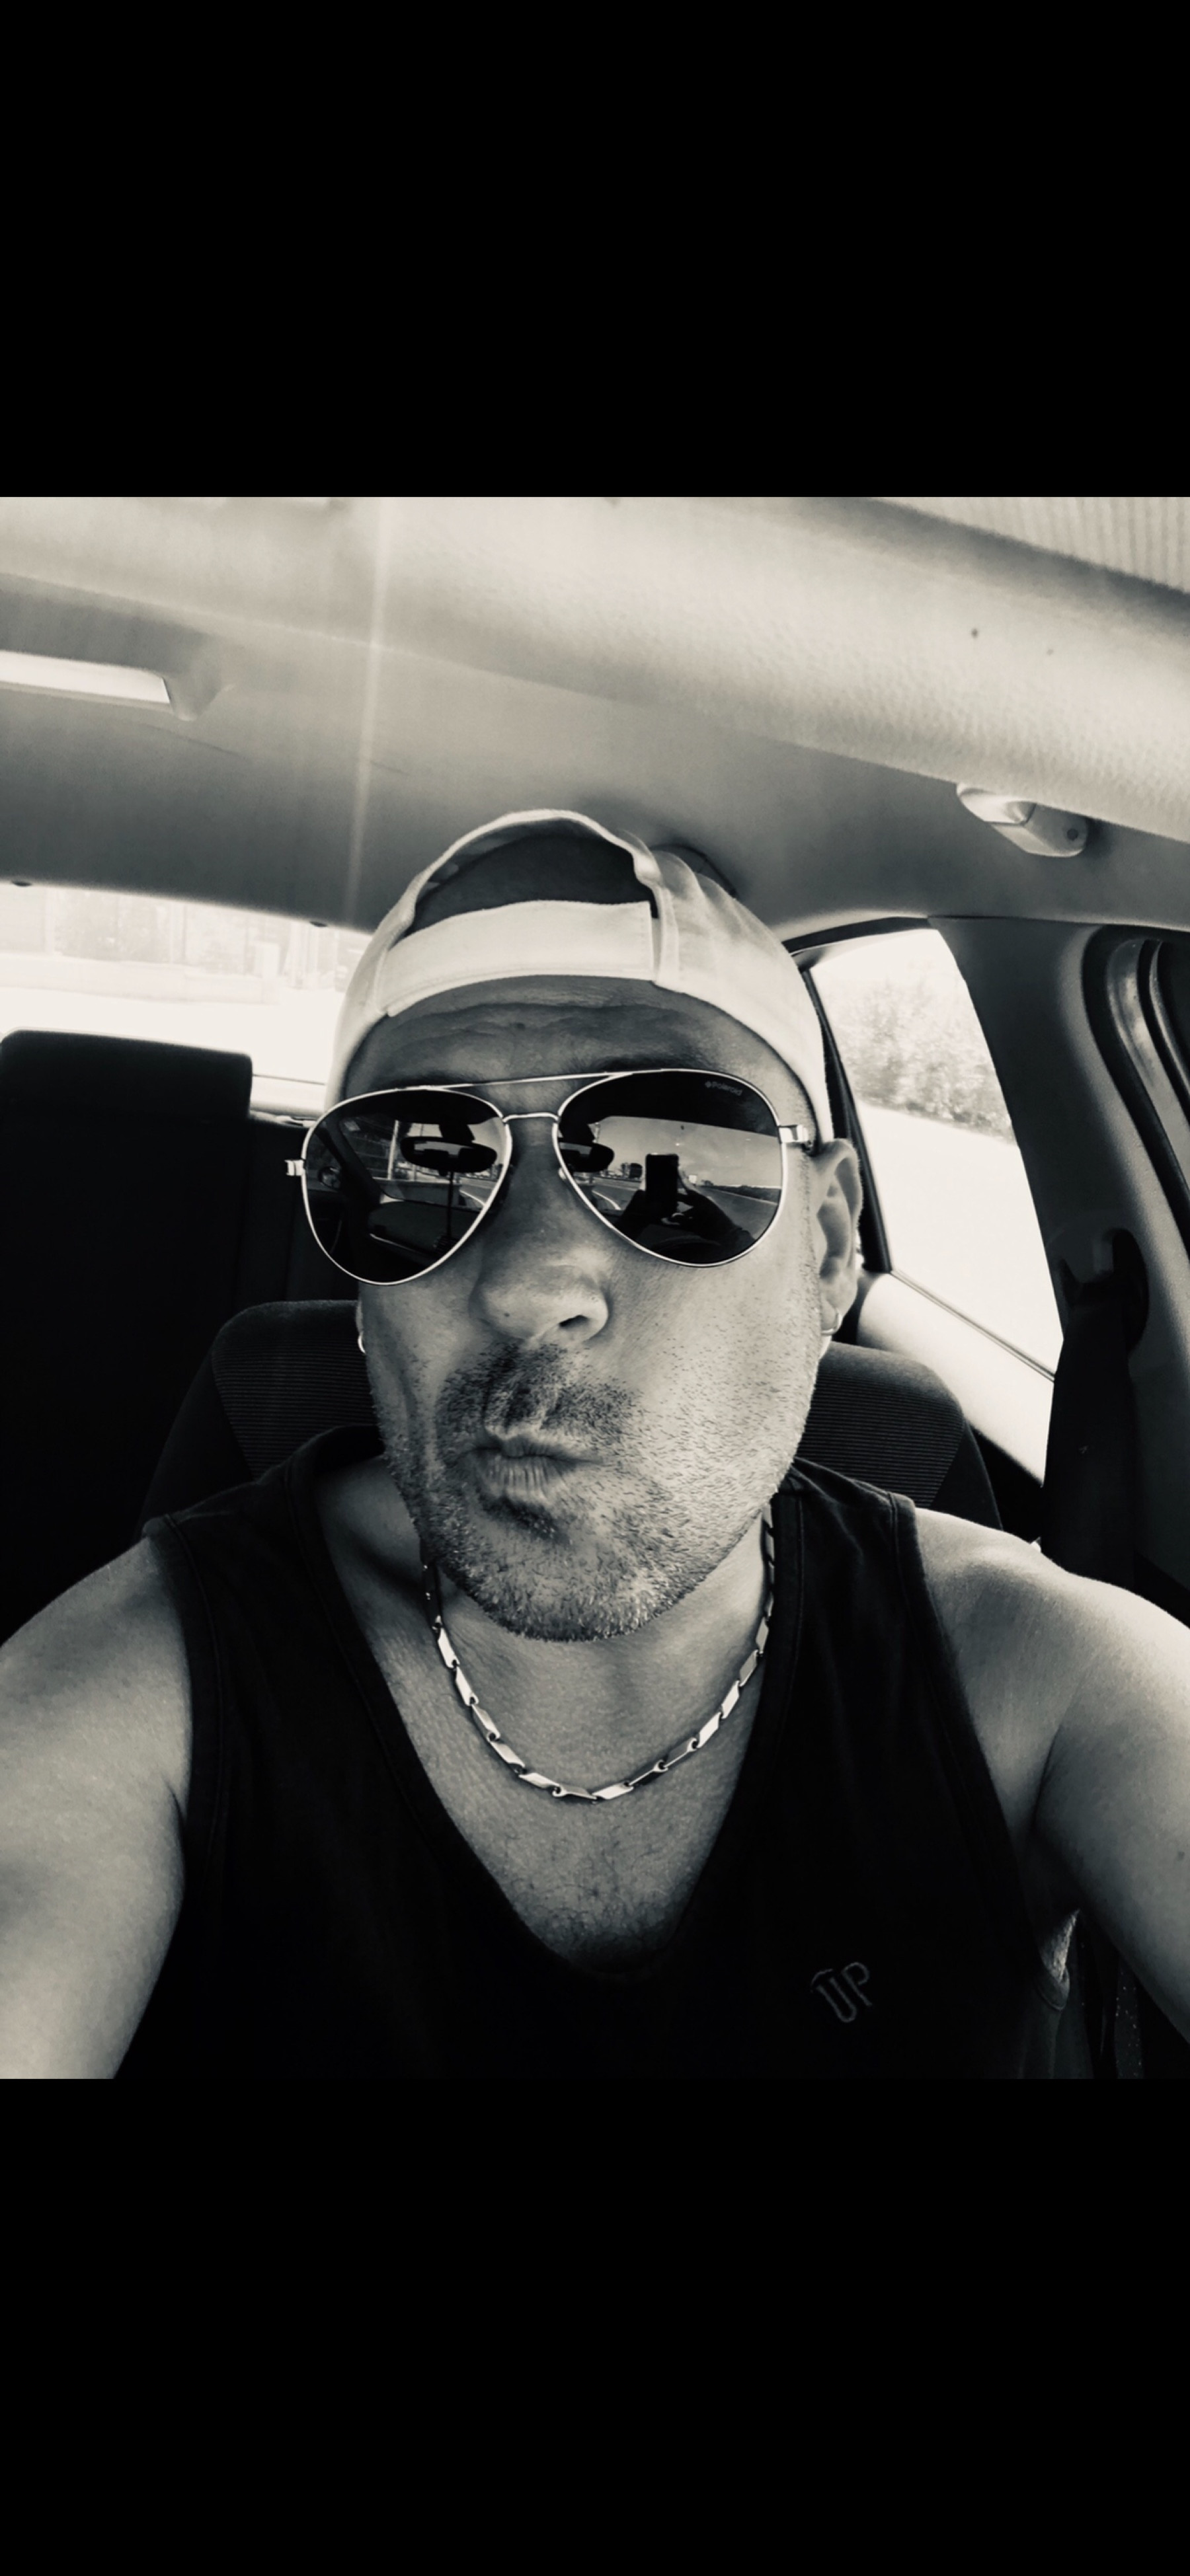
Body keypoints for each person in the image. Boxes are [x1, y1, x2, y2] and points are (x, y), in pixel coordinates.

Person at [3, 809, 1189, 2077]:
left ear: (830, 1244)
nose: (532, 1283)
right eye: (421, 1170)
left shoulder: (1042, 1677)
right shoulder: (132, 1698)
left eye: (670, 1155)